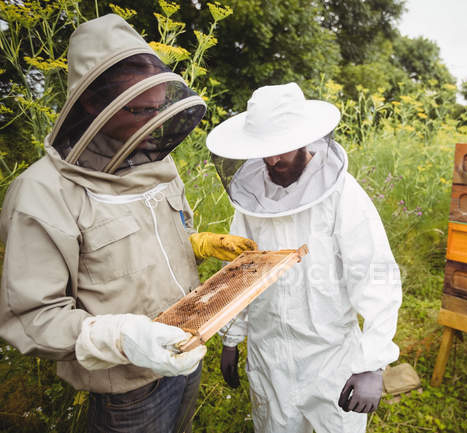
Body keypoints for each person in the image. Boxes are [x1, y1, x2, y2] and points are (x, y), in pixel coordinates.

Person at [0, 14, 256, 433]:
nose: (151, 124)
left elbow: (144, 247)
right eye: (139, 110)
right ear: (92, 103)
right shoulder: (42, 195)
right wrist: (121, 338)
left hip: (188, 355)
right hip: (125, 389)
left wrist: (198, 243)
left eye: (158, 109)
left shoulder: (158, 162)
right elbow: (33, 318)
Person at [206, 82, 402, 432]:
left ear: (303, 138)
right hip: (269, 355)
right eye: (264, 150)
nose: (272, 159)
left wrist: (371, 363)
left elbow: (376, 276)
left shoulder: (343, 195)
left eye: (280, 149)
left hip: (330, 358)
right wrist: (233, 337)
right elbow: (239, 271)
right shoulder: (251, 198)